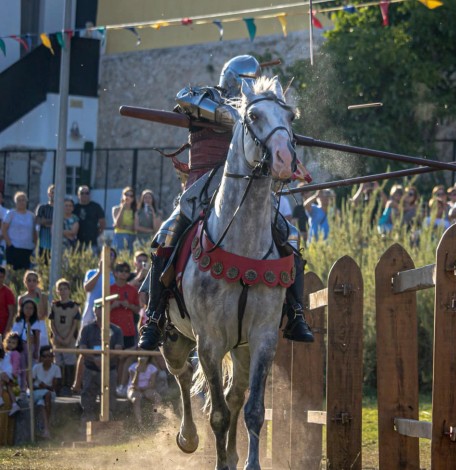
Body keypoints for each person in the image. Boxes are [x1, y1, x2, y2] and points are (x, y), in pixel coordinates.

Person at [137, 55, 313, 351]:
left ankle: (295, 313)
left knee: (290, 236)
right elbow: (184, 98)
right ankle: (154, 317)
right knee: (166, 235)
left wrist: (275, 127)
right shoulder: (202, 97)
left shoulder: (260, 110)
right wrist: (247, 114)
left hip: (246, 188)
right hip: (202, 187)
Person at [73, 300, 123, 423]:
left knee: (109, 398)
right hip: (91, 368)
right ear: (94, 310)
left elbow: (118, 350)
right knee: (88, 398)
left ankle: (108, 427)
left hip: (109, 369)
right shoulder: (86, 329)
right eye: (98, 307)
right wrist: (95, 359)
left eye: (103, 307)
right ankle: (86, 425)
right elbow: (82, 349)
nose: (100, 310)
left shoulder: (116, 330)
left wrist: (104, 359)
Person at [109, 262, 140, 397]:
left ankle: (120, 387)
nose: (123, 273)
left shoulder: (133, 290)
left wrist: (130, 306)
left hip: (128, 330)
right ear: (115, 273)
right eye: (120, 270)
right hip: (111, 330)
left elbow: (139, 310)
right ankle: (110, 387)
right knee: (113, 359)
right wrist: (112, 305)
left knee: (123, 358)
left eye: (126, 271)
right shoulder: (109, 289)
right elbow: (99, 309)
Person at [49, 278, 81, 396]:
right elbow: (51, 323)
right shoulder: (54, 306)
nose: (63, 291)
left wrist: (68, 337)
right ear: (57, 291)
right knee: (58, 362)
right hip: (57, 339)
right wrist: (57, 336)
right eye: (60, 289)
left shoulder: (74, 306)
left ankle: (68, 386)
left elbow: (75, 323)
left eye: (65, 289)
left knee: (69, 362)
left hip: (69, 339)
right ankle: (58, 386)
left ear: (69, 290)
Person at [81, 248, 116, 329]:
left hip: (108, 315)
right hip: (90, 315)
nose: (108, 257)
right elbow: (87, 288)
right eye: (106, 254)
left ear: (114, 259)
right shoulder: (91, 273)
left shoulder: (115, 276)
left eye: (111, 255)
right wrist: (100, 272)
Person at [2, 192, 37, 270]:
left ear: (26, 202)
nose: (21, 202)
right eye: (19, 200)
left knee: (26, 271)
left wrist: (35, 245)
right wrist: (10, 244)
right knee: (12, 273)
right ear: (15, 202)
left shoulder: (31, 216)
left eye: (23, 200)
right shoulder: (11, 214)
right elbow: (4, 229)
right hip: (14, 247)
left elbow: (35, 232)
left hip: (28, 248)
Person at [31, 345, 60, 439]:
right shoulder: (36, 368)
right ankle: (48, 428)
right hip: (36, 392)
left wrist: (45, 386)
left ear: (53, 357)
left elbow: (54, 388)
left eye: (50, 356)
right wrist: (40, 387)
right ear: (40, 357)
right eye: (44, 356)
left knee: (42, 402)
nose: (47, 358)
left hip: (49, 393)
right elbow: (30, 386)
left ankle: (46, 430)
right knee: (45, 395)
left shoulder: (56, 369)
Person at [127, 356, 161, 426]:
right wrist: (137, 371)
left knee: (157, 398)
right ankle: (140, 423)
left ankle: (156, 420)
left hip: (147, 389)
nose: (143, 358)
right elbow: (133, 383)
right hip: (134, 389)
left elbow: (152, 384)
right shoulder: (133, 367)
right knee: (136, 399)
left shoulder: (152, 368)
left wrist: (144, 388)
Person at [74, 185, 106, 254]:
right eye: (82, 193)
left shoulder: (96, 206)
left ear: (90, 194)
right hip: (77, 242)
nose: (84, 195)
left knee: (92, 261)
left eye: (87, 193)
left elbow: (102, 222)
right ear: (78, 195)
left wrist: (98, 233)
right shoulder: (74, 208)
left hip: (92, 241)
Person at [112, 187, 137, 252]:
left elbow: (135, 227)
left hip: (132, 236)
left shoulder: (135, 211)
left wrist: (123, 226)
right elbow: (117, 224)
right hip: (119, 235)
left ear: (133, 198)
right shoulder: (116, 209)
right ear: (122, 196)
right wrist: (122, 208)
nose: (128, 197)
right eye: (126, 194)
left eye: (131, 195)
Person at [35, 184, 55, 261]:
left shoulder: (61, 208)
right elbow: (38, 221)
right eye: (52, 192)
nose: (54, 194)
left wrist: (46, 222)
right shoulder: (42, 207)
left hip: (57, 245)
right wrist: (52, 221)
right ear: (49, 194)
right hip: (43, 243)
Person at [0, 267, 16, 336]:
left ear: (4, 278)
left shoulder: (8, 292)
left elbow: (11, 313)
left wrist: (6, 332)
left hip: (3, 329)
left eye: (1, 277)